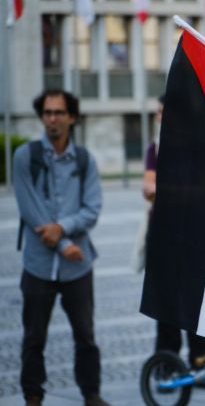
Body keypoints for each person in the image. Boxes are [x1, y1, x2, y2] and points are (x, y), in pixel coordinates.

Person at [13, 89, 109, 406]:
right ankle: (33, 396)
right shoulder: (25, 157)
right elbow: (31, 210)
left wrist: (63, 230)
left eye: (59, 112)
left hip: (77, 267)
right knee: (33, 338)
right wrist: (64, 242)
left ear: (72, 117)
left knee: (85, 336)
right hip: (38, 264)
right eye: (47, 113)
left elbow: (92, 208)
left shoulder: (84, 161)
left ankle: (92, 394)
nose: (52, 118)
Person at [143, 94, 205, 370]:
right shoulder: (157, 148)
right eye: (159, 113)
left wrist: (168, 192)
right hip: (163, 235)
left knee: (198, 300)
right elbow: (148, 188)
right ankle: (167, 363)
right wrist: (181, 192)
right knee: (165, 303)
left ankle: (201, 361)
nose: (161, 117)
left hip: (196, 234)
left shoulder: (200, 147)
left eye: (166, 112)